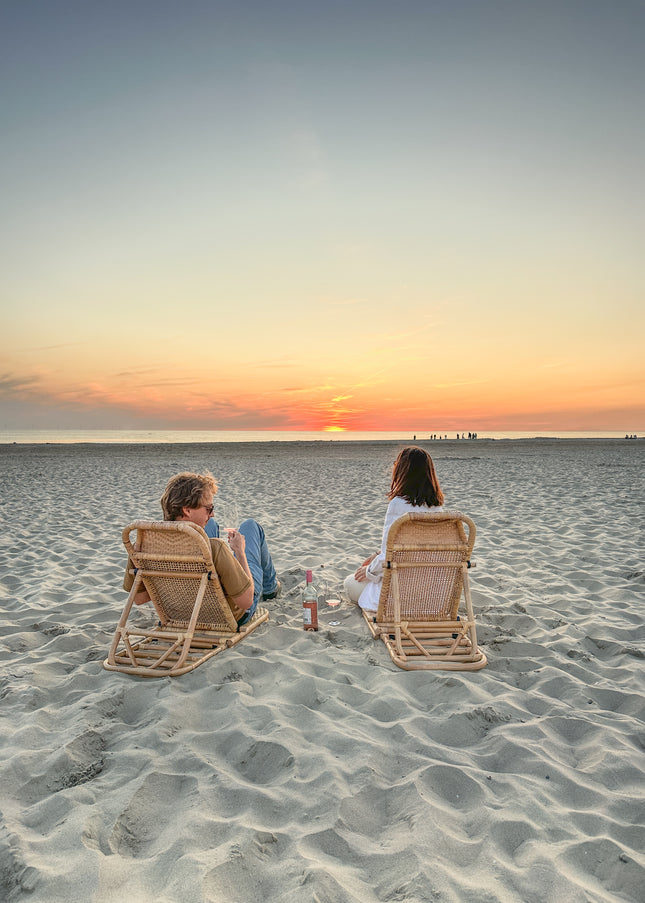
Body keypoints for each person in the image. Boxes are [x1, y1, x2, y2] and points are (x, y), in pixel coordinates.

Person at [123, 472, 279, 626]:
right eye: (209, 509)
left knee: (210, 525)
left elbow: (139, 598)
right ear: (187, 510)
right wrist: (240, 552)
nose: (213, 514)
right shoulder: (216, 548)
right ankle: (270, 588)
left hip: (179, 615)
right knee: (250, 526)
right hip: (227, 616)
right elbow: (246, 602)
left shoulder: (141, 548)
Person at [343, 446, 444, 612]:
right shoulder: (437, 508)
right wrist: (376, 555)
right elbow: (415, 548)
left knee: (349, 583)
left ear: (402, 471)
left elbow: (388, 559)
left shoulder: (398, 504)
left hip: (398, 595)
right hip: (429, 596)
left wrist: (369, 571)